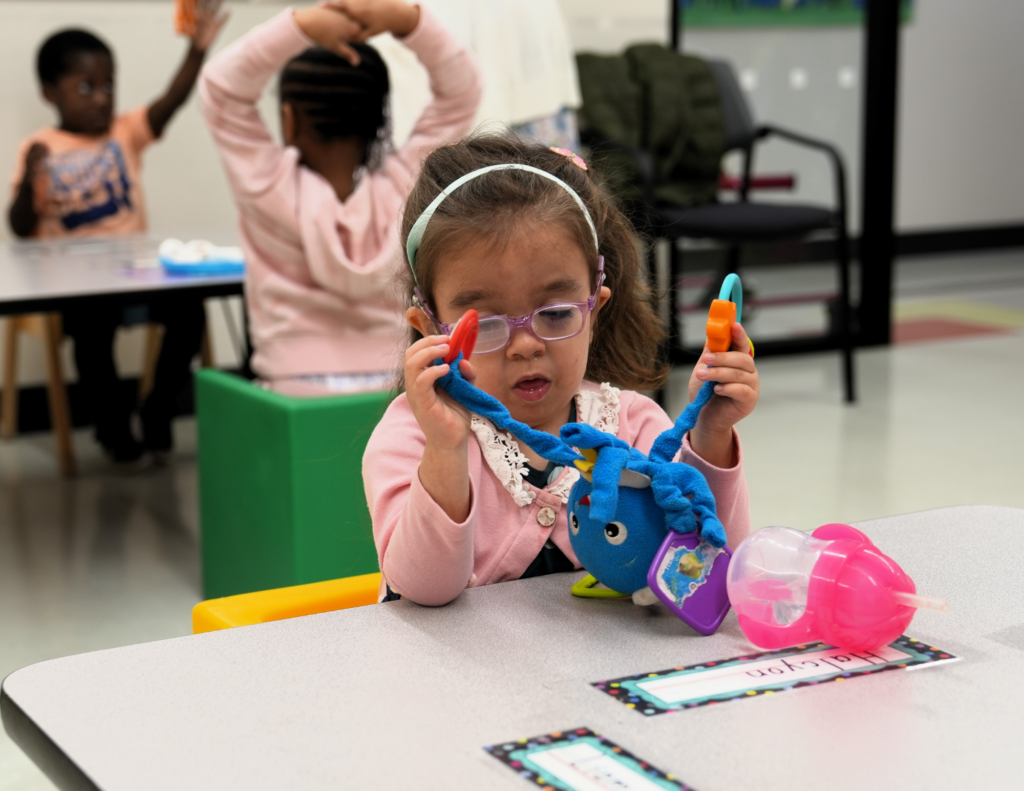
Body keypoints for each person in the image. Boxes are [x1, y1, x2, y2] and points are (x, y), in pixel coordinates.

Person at [363, 136, 760, 606]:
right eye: (485, 325)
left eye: (555, 314)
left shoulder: (635, 427)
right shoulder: (412, 436)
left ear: (595, 309)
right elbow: (424, 590)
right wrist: (446, 451)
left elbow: (709, 575)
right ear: (430, 327)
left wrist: (710, 434)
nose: (525, 346)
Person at [198, 0, 482, 391]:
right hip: (397, 388)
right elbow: (462, 90)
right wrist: (406, 18)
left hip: (292, 390)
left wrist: (300, 24)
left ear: (289, 119)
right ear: (379, 118)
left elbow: (220, 87)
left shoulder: (266, 184)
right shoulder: (411, 187)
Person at [7, 1, 229, 468]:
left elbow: (171, 102)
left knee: (189, 311)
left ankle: (158, 409)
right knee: (92, 331)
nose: (101, 99)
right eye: (86, 87)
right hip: (76, 287)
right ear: (50, 92)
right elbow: (20, 229)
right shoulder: (39, 149)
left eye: (109, 86)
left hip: (135, 274)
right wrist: (30, 179)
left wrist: (196, 50)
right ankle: (112, 429)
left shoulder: (124, 132)